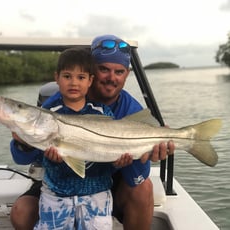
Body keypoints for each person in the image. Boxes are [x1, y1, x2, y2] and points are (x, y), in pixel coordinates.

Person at [10, 35, 175, 230]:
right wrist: (24, 143)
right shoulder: (58, 103)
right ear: (92, 72)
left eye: (119, 71)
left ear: (127, 74)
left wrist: (133, 160)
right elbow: (24, 156)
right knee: (21, 212)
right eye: (104, 69)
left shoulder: (131, 109)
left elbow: (137, 177)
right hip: (62, 182)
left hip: (108, 182)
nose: (111, 78)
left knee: (144, 189)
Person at [11, 47, 130, 229]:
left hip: (97, 196)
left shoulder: (102, 113)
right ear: (56, 78)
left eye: (81, 77)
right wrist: (23, 144)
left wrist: (118, 161)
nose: (74, 82)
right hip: (56, 197)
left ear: (90, 80)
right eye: (67, 76)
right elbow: (24, 157)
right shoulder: (48, 114)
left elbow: (106, 152)